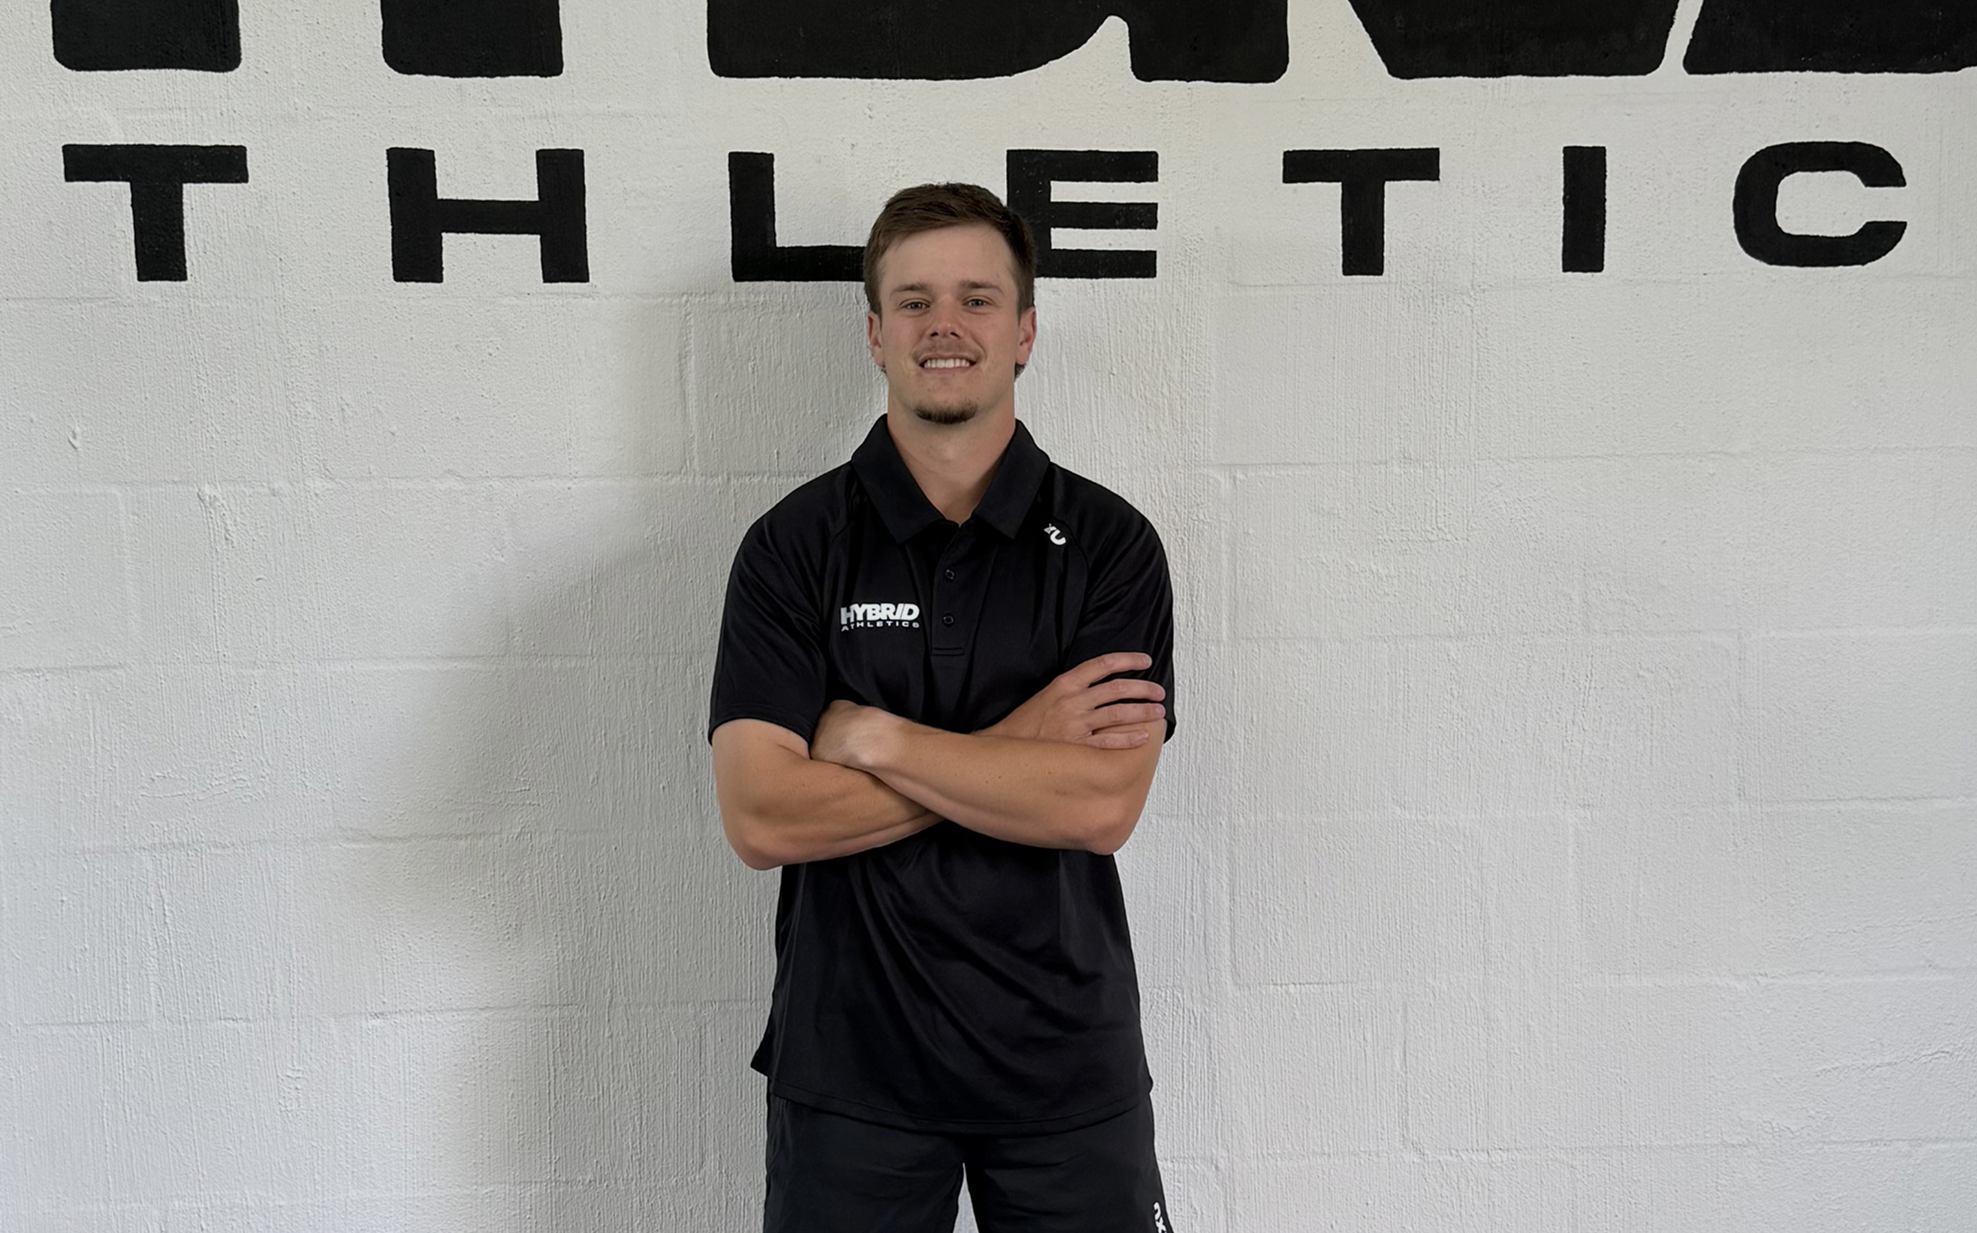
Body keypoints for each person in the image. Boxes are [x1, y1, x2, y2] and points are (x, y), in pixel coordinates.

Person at [707, 181, 1179, 1233]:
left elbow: (1098, 807)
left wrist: (871, 736)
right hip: (851, 1069)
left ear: (1025, 332)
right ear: (875, 334)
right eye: (914, 302)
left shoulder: (1110, 546)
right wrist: (1020, 747)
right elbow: (763, 818)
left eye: (975, 299)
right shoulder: (793, 547)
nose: (944, 326)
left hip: (1064, 1066)